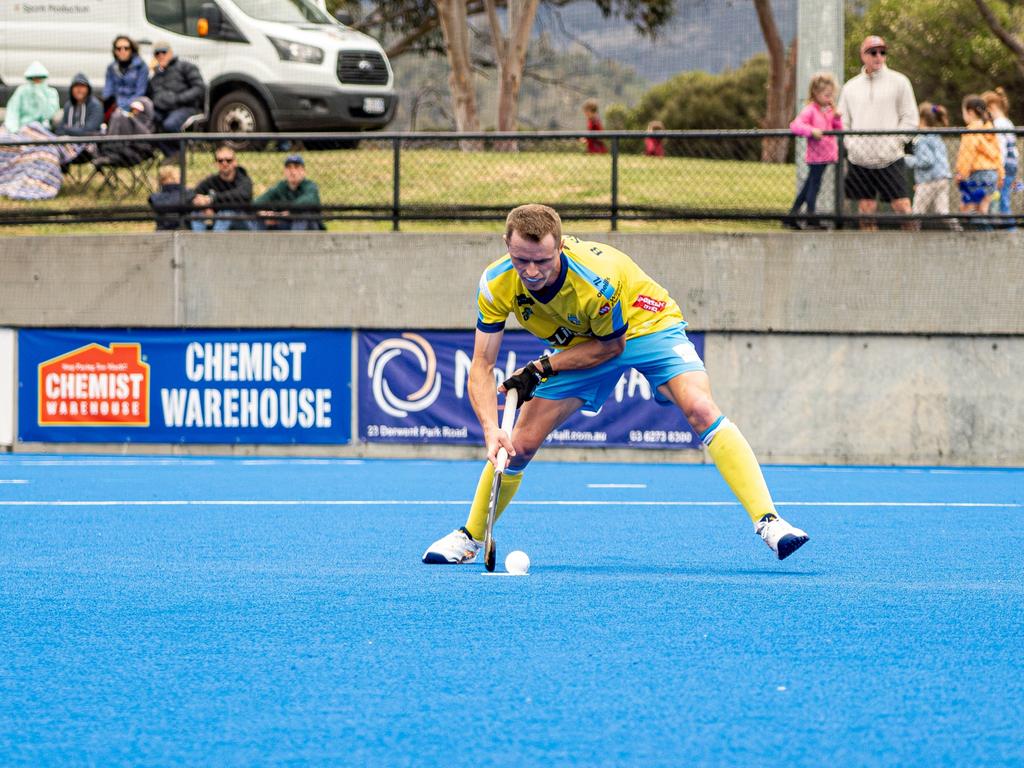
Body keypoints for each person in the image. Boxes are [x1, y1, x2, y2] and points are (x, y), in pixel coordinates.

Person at [422, 203, 809, 566]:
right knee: (517, 445)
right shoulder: (496, 283)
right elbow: (482, 364)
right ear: (507, 245)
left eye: (542, 260)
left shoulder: (595, 281)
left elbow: (610, 348)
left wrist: (541, 367)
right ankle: (470, 536)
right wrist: (491, 430)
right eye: (522, 260)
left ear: (560, 246)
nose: (533, 271)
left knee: (700, 408)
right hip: (579, 341)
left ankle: (770, 522)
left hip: (644, 325)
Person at [837, 35, 917, 230]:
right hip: (860, 159)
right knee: (866, 209)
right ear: (863, 55)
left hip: (890, 157)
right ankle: (868, 254)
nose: (878, 56)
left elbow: (910, 118)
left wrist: (896, 142)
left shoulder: (900, 82)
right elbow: (843, 121)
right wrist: (852, 144)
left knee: (903, 207)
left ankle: (915, 248)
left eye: (882, 52)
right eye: (873, 52)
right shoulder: (850, 87)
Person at [786, 72, 843, 230]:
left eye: (832, 95)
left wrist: (837, 117)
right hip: (816, 157)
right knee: (813, 186)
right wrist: (812, 131)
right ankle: (811, 216)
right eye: (826, 95)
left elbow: (838, 129)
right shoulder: (810, 110)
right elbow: (796, 125)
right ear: (816, 93)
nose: (830, 99)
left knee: (808, 186)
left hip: (826, 155)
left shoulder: (829, 110)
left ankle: (792, 215)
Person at [903, 102, 958, 231]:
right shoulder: (936, 136)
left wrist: (906, 159)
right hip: (942, 178)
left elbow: (926, 161)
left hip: (928, 180)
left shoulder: (921, 139)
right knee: (942, 211)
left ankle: (913, 234)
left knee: (918, 211)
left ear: (921, 119)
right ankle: (957, 229)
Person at [148, 41, 205, 155]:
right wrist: (151, 73)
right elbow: (153, 96)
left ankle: (179, 152)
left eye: (163, 52)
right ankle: (171, 154)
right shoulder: (156, 75)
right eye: (157, 53)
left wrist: (178, 99)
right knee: (147, 123)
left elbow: (199, 88)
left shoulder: (185, 66)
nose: (161, 55)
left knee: (170, 124)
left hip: (186, 107)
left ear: (170, 53)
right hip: (164, 109)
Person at [955, 95, 1003, 228]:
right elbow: (998, 154)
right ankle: (987, 237)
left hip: (978, 173)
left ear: (970, 112)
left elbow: (967, 154)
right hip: (992, 172)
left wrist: (961, 174)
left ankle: (980, 238)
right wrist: (1000, 174)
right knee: (983, 208)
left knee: (970, 208)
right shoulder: (990, 128)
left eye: (963, 111)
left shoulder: (971, 130)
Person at [190, 145, 254, 232]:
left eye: (228, 160)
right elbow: (193, 194)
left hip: (244, 221)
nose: (224, 163)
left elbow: (243, 195)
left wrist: (212, 199)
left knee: (226, 213)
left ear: (235, 162)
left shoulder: (244, 179)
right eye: (220, 161)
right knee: (197, 213)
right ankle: (197, 242)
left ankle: (215, 243)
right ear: (216, 163)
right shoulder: (212, 180)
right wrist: (204, 206)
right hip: (218, 220)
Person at [253, 154, 323, 230]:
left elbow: (307, 201)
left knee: (301, 214)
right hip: (286, 224)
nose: (292, 172)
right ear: (284, 171)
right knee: (261, 219)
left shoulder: (310, 186)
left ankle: (296, 241)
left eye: (296, 167)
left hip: (310, 229)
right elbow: (258, 202)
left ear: (303, 171)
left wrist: (285, 214)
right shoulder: (280, 187)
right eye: (289, 168)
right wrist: (264, 213)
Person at [982, 88, 1017, 229]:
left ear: (992, 107)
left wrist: (998, 169)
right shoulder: (1008, 122)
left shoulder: (998, 124)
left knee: (1002, 201)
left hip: (1004, 167)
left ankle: (1011, 232)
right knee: (1003, 198)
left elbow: (1000, 149)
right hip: (1012, 165)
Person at [2, 61, 60, 134]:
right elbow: (12, 112)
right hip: (21, 128)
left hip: (42, 129)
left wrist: (41, 99)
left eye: (39, 78)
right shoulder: (21, 91)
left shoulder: (51, 93)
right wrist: (14, 129)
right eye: (34, 78)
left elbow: (49, 114)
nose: (36, 81)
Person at [103, 36, 149, 114]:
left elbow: (140, 92)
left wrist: (124, 106)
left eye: (126, 48)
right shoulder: (111, 67)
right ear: (115, 51)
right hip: (116, 104)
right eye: (119, 48)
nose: (122, 51)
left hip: (134, 104)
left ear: (132, 50)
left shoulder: (141, 66)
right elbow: (108, 90)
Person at [53, 72, 104, 138]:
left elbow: (88, 131)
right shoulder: (68, 105)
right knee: (36, 126)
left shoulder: (96, 106)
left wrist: (66, 129)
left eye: (82, 86)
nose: (79, 89)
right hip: (67, 142)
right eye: (76, 86)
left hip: (88, 143)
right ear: (71, 89)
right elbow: (59, 130)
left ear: (88, 89)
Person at [148, 164, 192, 230]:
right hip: (183, 229)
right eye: (176, 177)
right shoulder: (187, 193)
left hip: (162, 230)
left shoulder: (155, 197)